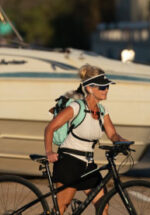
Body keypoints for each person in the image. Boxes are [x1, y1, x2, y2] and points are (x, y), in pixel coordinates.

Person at [43, 65, 129, 214]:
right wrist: (49, 152)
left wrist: (122, 142)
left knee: (103, 206)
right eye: (102, 87)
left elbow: (112, 134)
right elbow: (50, 128)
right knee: (61, 209)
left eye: (107, 86)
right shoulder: (77, 107)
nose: (106, 90)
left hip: (88, 164)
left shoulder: (103, 111)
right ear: (89, 88)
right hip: (69, 162)